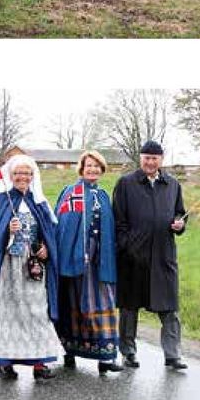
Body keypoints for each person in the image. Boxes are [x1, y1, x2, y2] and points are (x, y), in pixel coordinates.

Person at [0, 153, 61, 382]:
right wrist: (6, 232)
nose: (23, 177)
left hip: (32, 268)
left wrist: (46, 250)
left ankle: (40, 364)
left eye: (27, 173)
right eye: (18, 173)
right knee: (6, 314)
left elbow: (49, 233)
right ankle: (5, 363)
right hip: (6, 268)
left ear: (33, 176)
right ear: (10, 176)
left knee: (38, 312)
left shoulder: (39, 203)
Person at [112, 140, 188, 371]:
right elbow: (118, 221)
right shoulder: (126, 183)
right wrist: (127, 247)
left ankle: (173, 355)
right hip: (132, 258)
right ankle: (128, 352)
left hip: (163, 256)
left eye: (154, 158)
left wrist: (180, 225)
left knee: (169, 308)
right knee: (129, 308)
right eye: (146, 157)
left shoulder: (172, 184)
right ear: (140, 158)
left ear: (161, 160)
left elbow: (181, 214)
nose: (150, 162)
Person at [55, 150, 121, 375]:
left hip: (99, 260)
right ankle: (69, 350)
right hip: (75, 259)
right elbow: (62, 226)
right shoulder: (71, 192)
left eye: (96, 166)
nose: (92, 170)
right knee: (75, 303)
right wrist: (73, 253)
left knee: (103, 302)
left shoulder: (102, 195)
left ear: (102, 170)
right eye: (88, 166)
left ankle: (105, 356)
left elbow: (109, 229)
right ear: (81, 169)